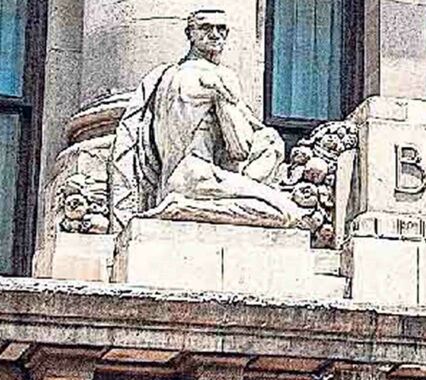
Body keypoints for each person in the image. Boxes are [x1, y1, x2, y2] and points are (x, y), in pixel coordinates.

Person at [109, 9, 302, 230]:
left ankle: (179, 205)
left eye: (221, 29)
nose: (215, 34)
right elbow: (240, 149)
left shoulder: (167, 77)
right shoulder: (216, 77)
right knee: (287, 213)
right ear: (189, 34)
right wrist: (224, 97)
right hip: (199, 178)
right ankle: (181, 207)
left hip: (174, 179)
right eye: (205, 28)